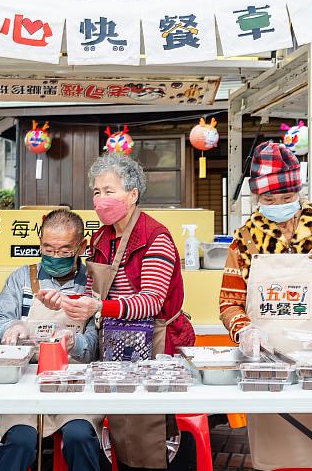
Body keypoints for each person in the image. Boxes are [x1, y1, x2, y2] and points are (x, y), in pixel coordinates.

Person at [219, 141, 312, 470]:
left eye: (286, 198)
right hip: (272, 371)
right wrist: (243, 330)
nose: (278, 206)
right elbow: (229, 303)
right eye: (269, 200)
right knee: (280, 458)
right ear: (258, 199)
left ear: (297, 191)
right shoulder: (244, 240)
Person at [39, 153, 194, 471]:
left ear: (132, 193)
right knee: (121, 431)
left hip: (155, 346)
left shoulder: (155, 237)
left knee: (149, 431)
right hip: (114, 346)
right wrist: (66, 302)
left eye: (109, 191)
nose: (100, 199)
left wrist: (98, 306)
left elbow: (151, 302)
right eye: (96, 192)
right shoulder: (101, 238)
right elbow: (94, 292)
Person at [0, 209, 102, 471]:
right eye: (48, 249)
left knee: (79, 435)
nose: (54, 256)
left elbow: (94, 344)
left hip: (75, 383)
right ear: (40, 243)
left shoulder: (92, 284)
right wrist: (9, 326)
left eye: (63, 250)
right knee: (20, 440)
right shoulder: (22, 278)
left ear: (81, 246)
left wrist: (74, 342)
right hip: (26, 380)